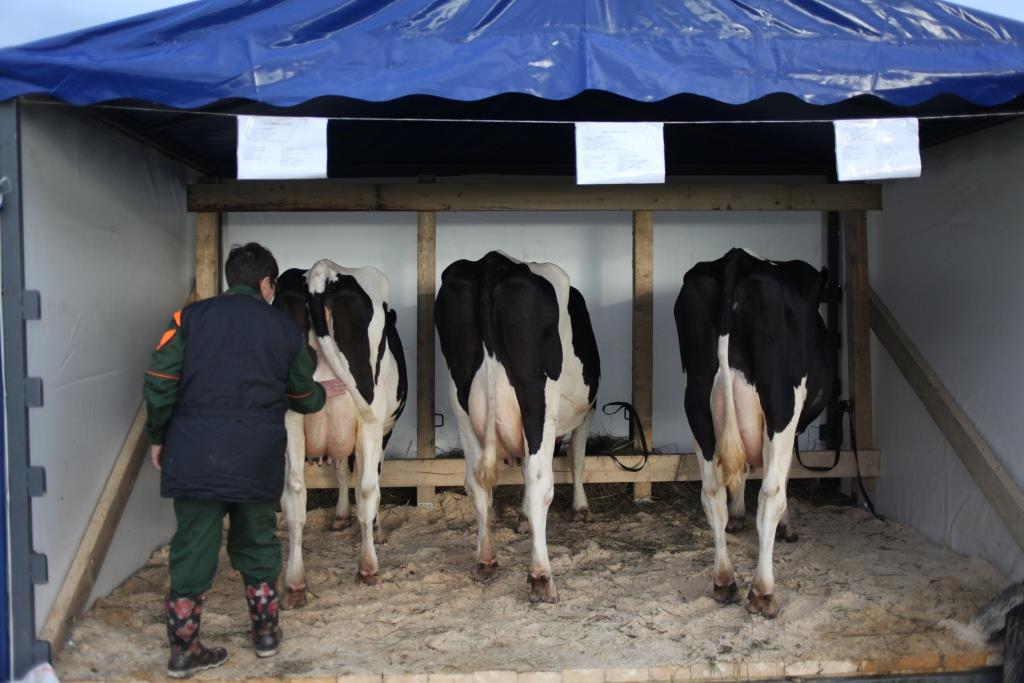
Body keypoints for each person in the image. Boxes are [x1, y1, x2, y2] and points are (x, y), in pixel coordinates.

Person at [143, 242, 338, 679]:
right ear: (268, 283)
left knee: (193, 547)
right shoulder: (285, 330)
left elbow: (159, 380)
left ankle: (183, 650)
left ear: (233, 278)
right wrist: (323, 392)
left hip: (193, 454)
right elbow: (304, 398)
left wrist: (159, 436)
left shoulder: (188, 319)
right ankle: (266, 635)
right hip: (255, 457)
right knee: (257, 542)